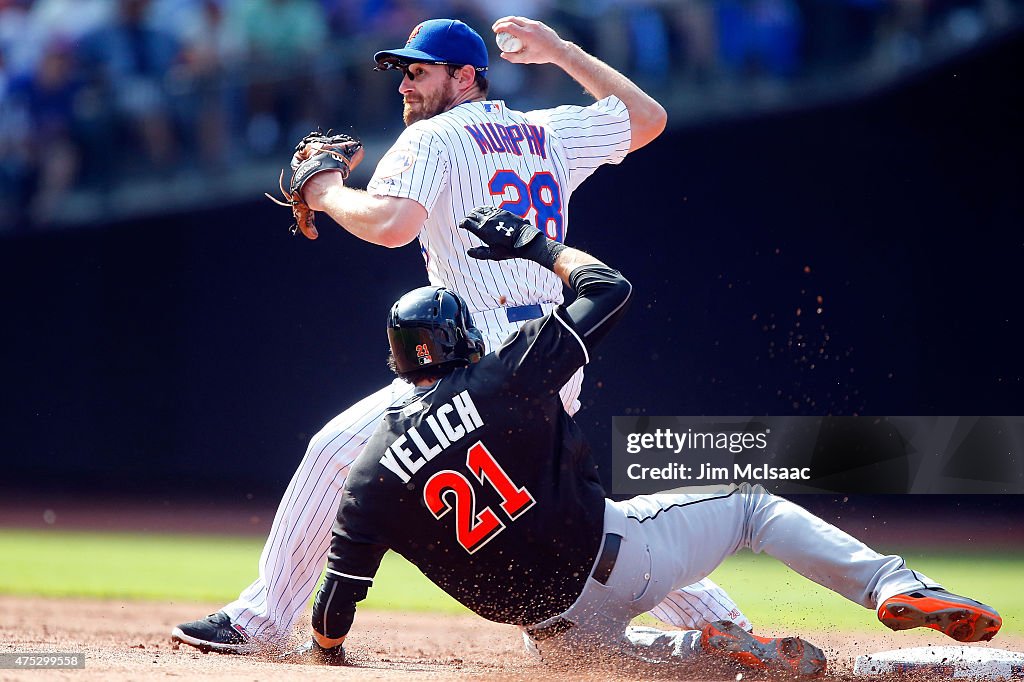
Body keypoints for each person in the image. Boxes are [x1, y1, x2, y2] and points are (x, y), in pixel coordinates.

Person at [171, 16, 751, 653]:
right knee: (563, 514)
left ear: (464, 75)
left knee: (338, 452)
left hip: (486, 369)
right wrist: (560, 53)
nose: (405, 86)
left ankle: (258, 622)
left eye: (418, 71)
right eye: (402, 73)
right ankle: (725, 628)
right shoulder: (543, 131)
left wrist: (327, 190)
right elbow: (646, 119)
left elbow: (392, 223)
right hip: (554, 358)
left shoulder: (436, 139)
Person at [298, 207, 1002, 676]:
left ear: (397, 358)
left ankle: (703, 651)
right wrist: (534, 246)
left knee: (608, 661)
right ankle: (893, 585)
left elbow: (333, 611)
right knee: (752, 505)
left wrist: (326, 652)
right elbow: (610, 288)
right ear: (462, 340)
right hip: (621, 559)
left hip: (560, 639)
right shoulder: (502, 375)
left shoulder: (367, 477)